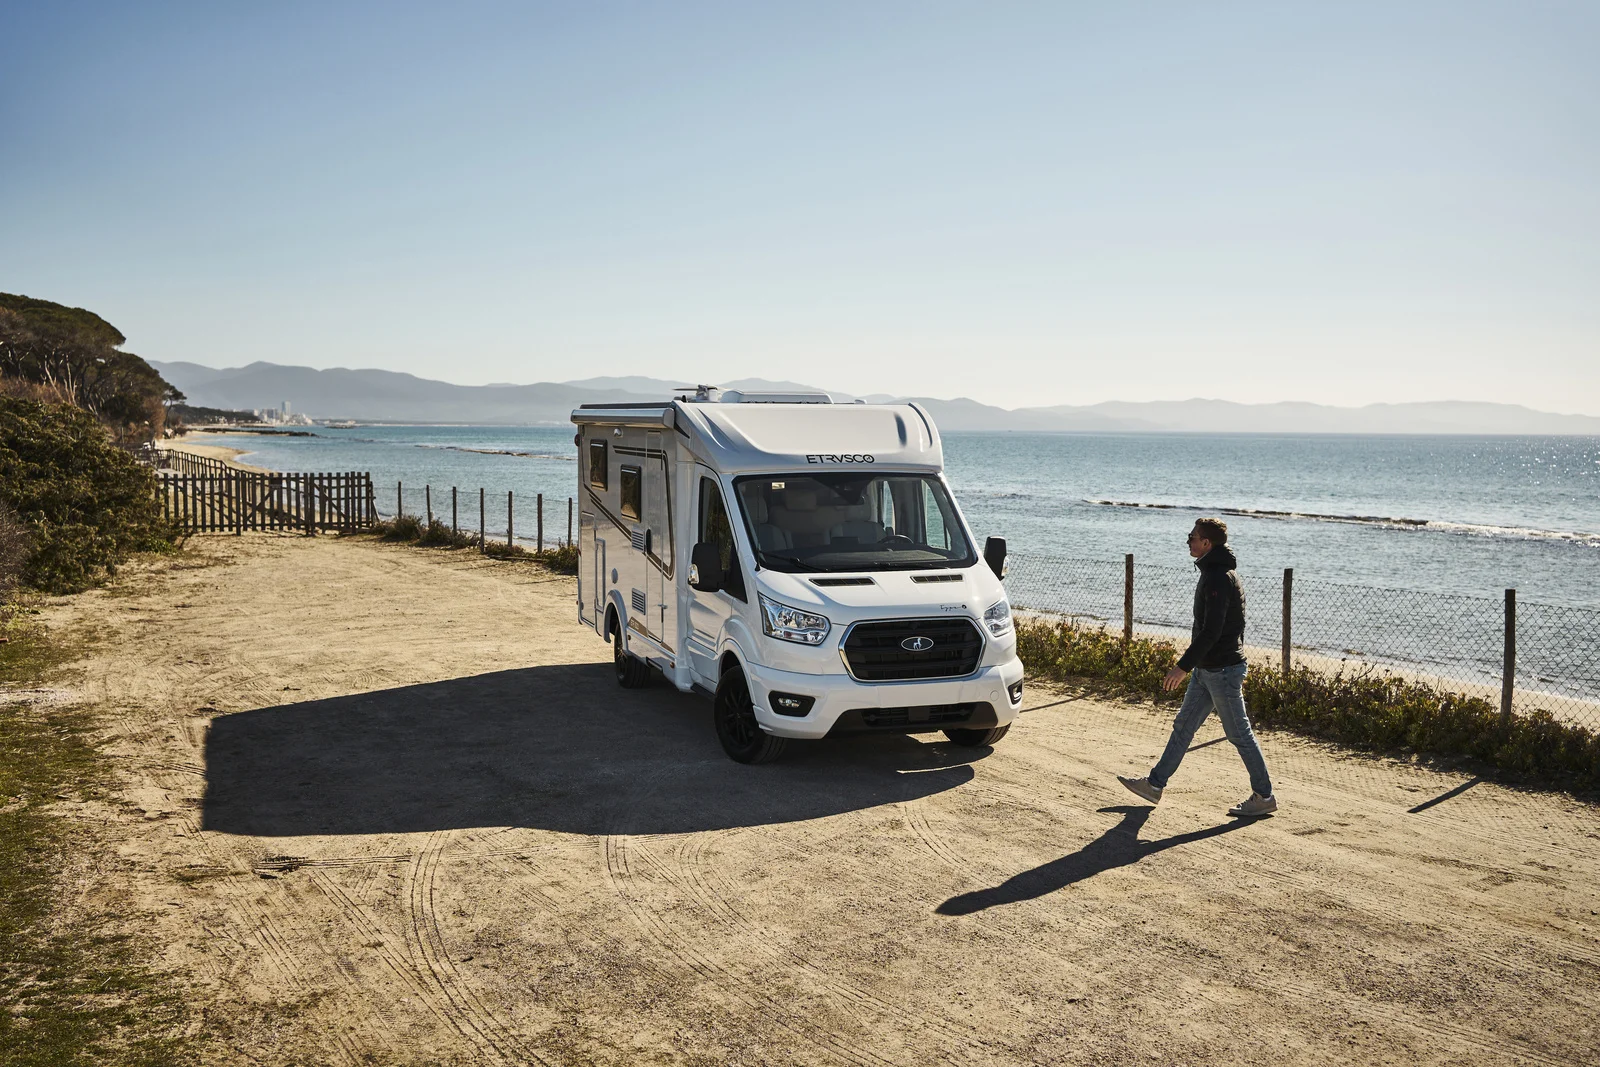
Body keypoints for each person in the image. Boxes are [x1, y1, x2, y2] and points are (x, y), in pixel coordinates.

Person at [1118, 518, 1277, 817]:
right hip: (1208, 669)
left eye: (1192, 537)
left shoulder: (1218, 577)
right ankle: (1154, 785)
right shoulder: (1214, 572)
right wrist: (1196, 666)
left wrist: (1182, 667)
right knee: (1183, 727)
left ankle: (1264, 795)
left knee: (1239, 734)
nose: (1188, 541)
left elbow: (1212, 631)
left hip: (1222, 671)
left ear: (1206, 543)